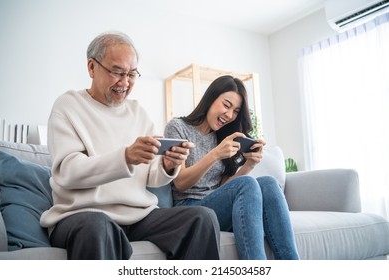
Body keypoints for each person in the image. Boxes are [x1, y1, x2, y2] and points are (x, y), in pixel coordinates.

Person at [40, 31, 220, 260]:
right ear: (92, 68)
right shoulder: (68, 106)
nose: (125, 82)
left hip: (138, 216)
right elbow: (68, 172)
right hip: (81, 216)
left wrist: (167, 165)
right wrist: (125, 157)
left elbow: (152, 177)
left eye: (132, 74)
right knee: (98, 226)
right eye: (117, 72)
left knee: (201, 218)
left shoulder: (139, 113)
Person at [164, 75, 299, 260]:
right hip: (190, 210)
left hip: (217, 206)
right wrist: (215, 154)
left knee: (268, 182)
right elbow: (180, 183)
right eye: (226, 105)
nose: (230, 115)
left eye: (235, 111)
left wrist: (249, 165)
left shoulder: (223, 135)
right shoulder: (178, 127)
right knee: (247, 184)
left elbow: (224, 187)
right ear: (211, 99)